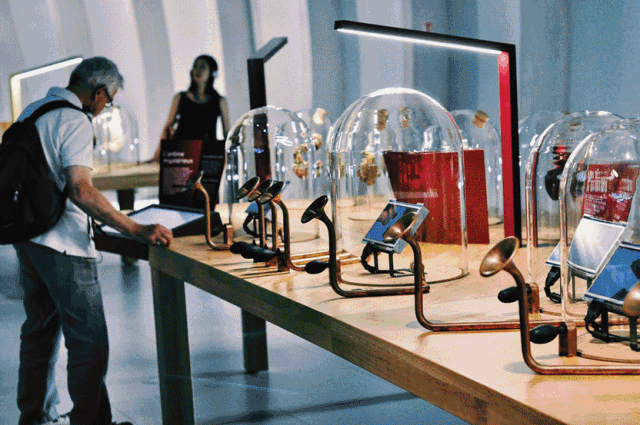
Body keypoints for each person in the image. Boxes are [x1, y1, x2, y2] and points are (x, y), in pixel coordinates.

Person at [13, 57, 173, 425]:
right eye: (109, 100)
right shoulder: (74, 120)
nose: (106, 107)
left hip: (29, 238)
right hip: (64, 244)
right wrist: (135, 228)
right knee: (89, 342)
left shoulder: (33, 111)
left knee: (38, 334)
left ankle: (34, 417)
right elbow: (81, 190)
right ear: (99, 92)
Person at [152, 54, 230, 161]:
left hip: (207, 154)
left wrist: (229, 157)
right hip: (182, 153)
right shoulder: (180, 97)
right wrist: (158, 154)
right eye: (195, 66)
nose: (197, 70)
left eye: (203, 66)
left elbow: (227, 132)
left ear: (212, 72)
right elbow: (168, 126)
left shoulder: (219, 100)